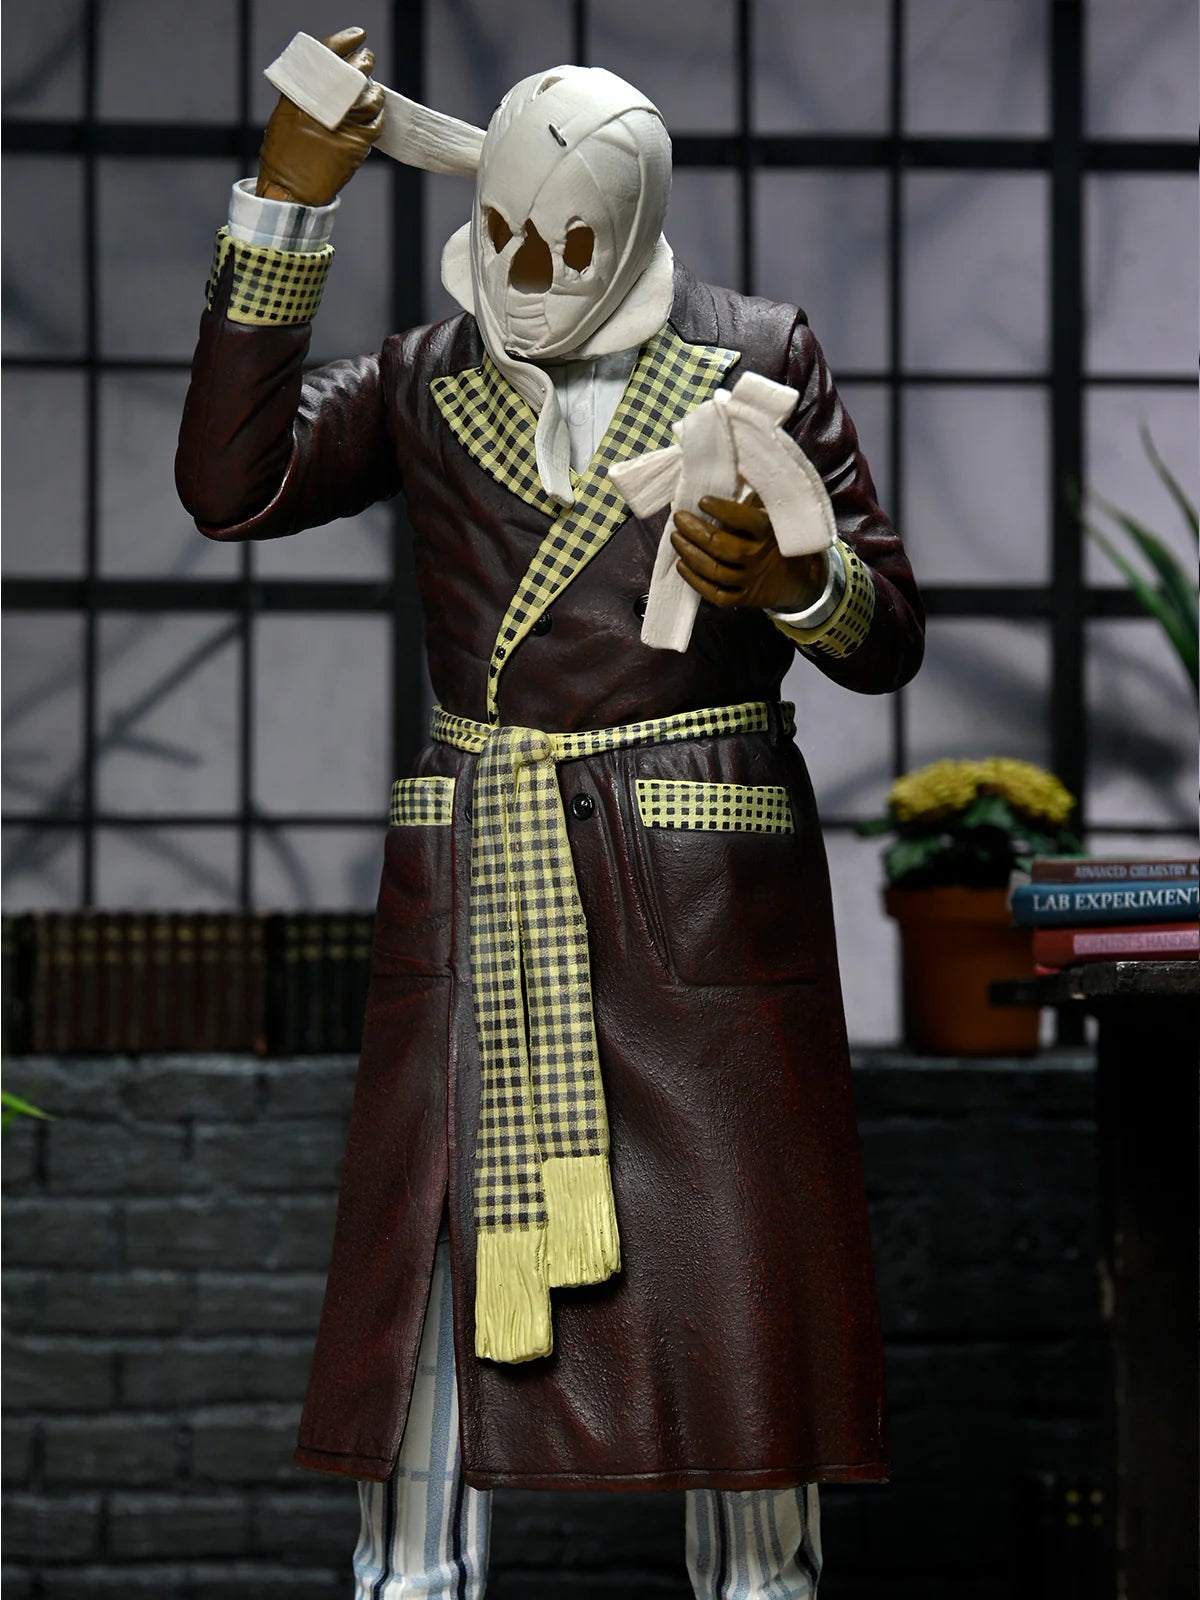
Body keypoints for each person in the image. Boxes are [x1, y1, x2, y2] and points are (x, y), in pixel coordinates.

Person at [176, 28, 924, 1600]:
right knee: (436, 1277)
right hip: (484, 881)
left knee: (738, 1310)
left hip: (700, 893)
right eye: (504, 234)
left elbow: (886, 634)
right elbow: (233, 486)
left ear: (634, 229)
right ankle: (412, 1578)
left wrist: (795, 579)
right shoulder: (425, 378)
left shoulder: (754, 357)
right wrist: (284, 205)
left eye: (566, 245)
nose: (526, 275)